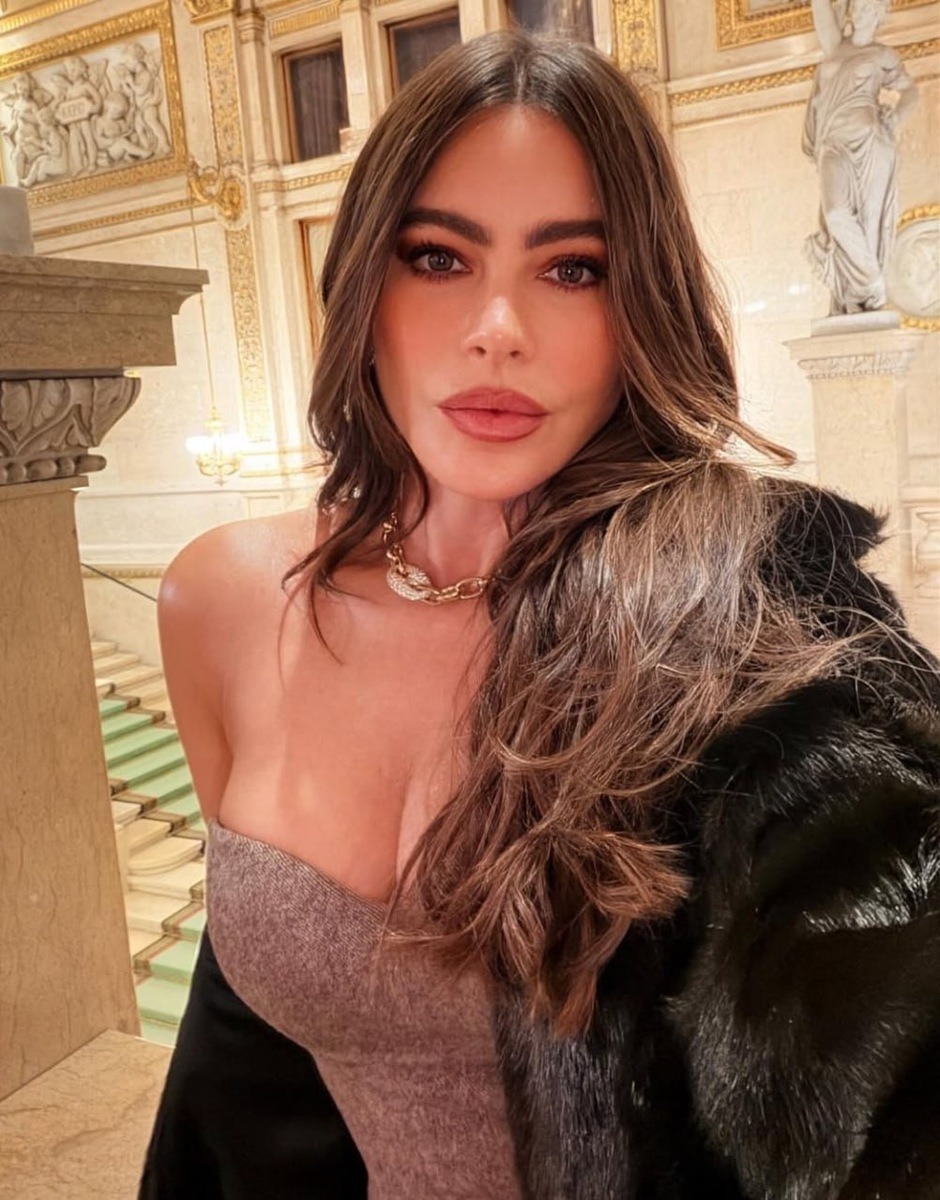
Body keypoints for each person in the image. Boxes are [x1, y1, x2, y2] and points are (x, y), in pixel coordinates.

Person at [140, 30, 940, 1200]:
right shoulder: (218, 600)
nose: (498, 326)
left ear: (640, 308)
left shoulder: (757, 614)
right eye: (436, 256)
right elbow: (240, 1074)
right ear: (361, 284)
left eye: (573, 269)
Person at [803, 0, 918, 314]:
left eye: (869, 6)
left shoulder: (883, 55)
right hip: (832, 144)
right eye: (858, 4)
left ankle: (859, 296)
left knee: (868, 223)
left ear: (880, 14)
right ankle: (871, 283)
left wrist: (896, 116)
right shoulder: (834, 45)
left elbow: (911, 92)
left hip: (871, 144)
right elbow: (820, 8)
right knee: (836, 213)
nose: (861, 10)